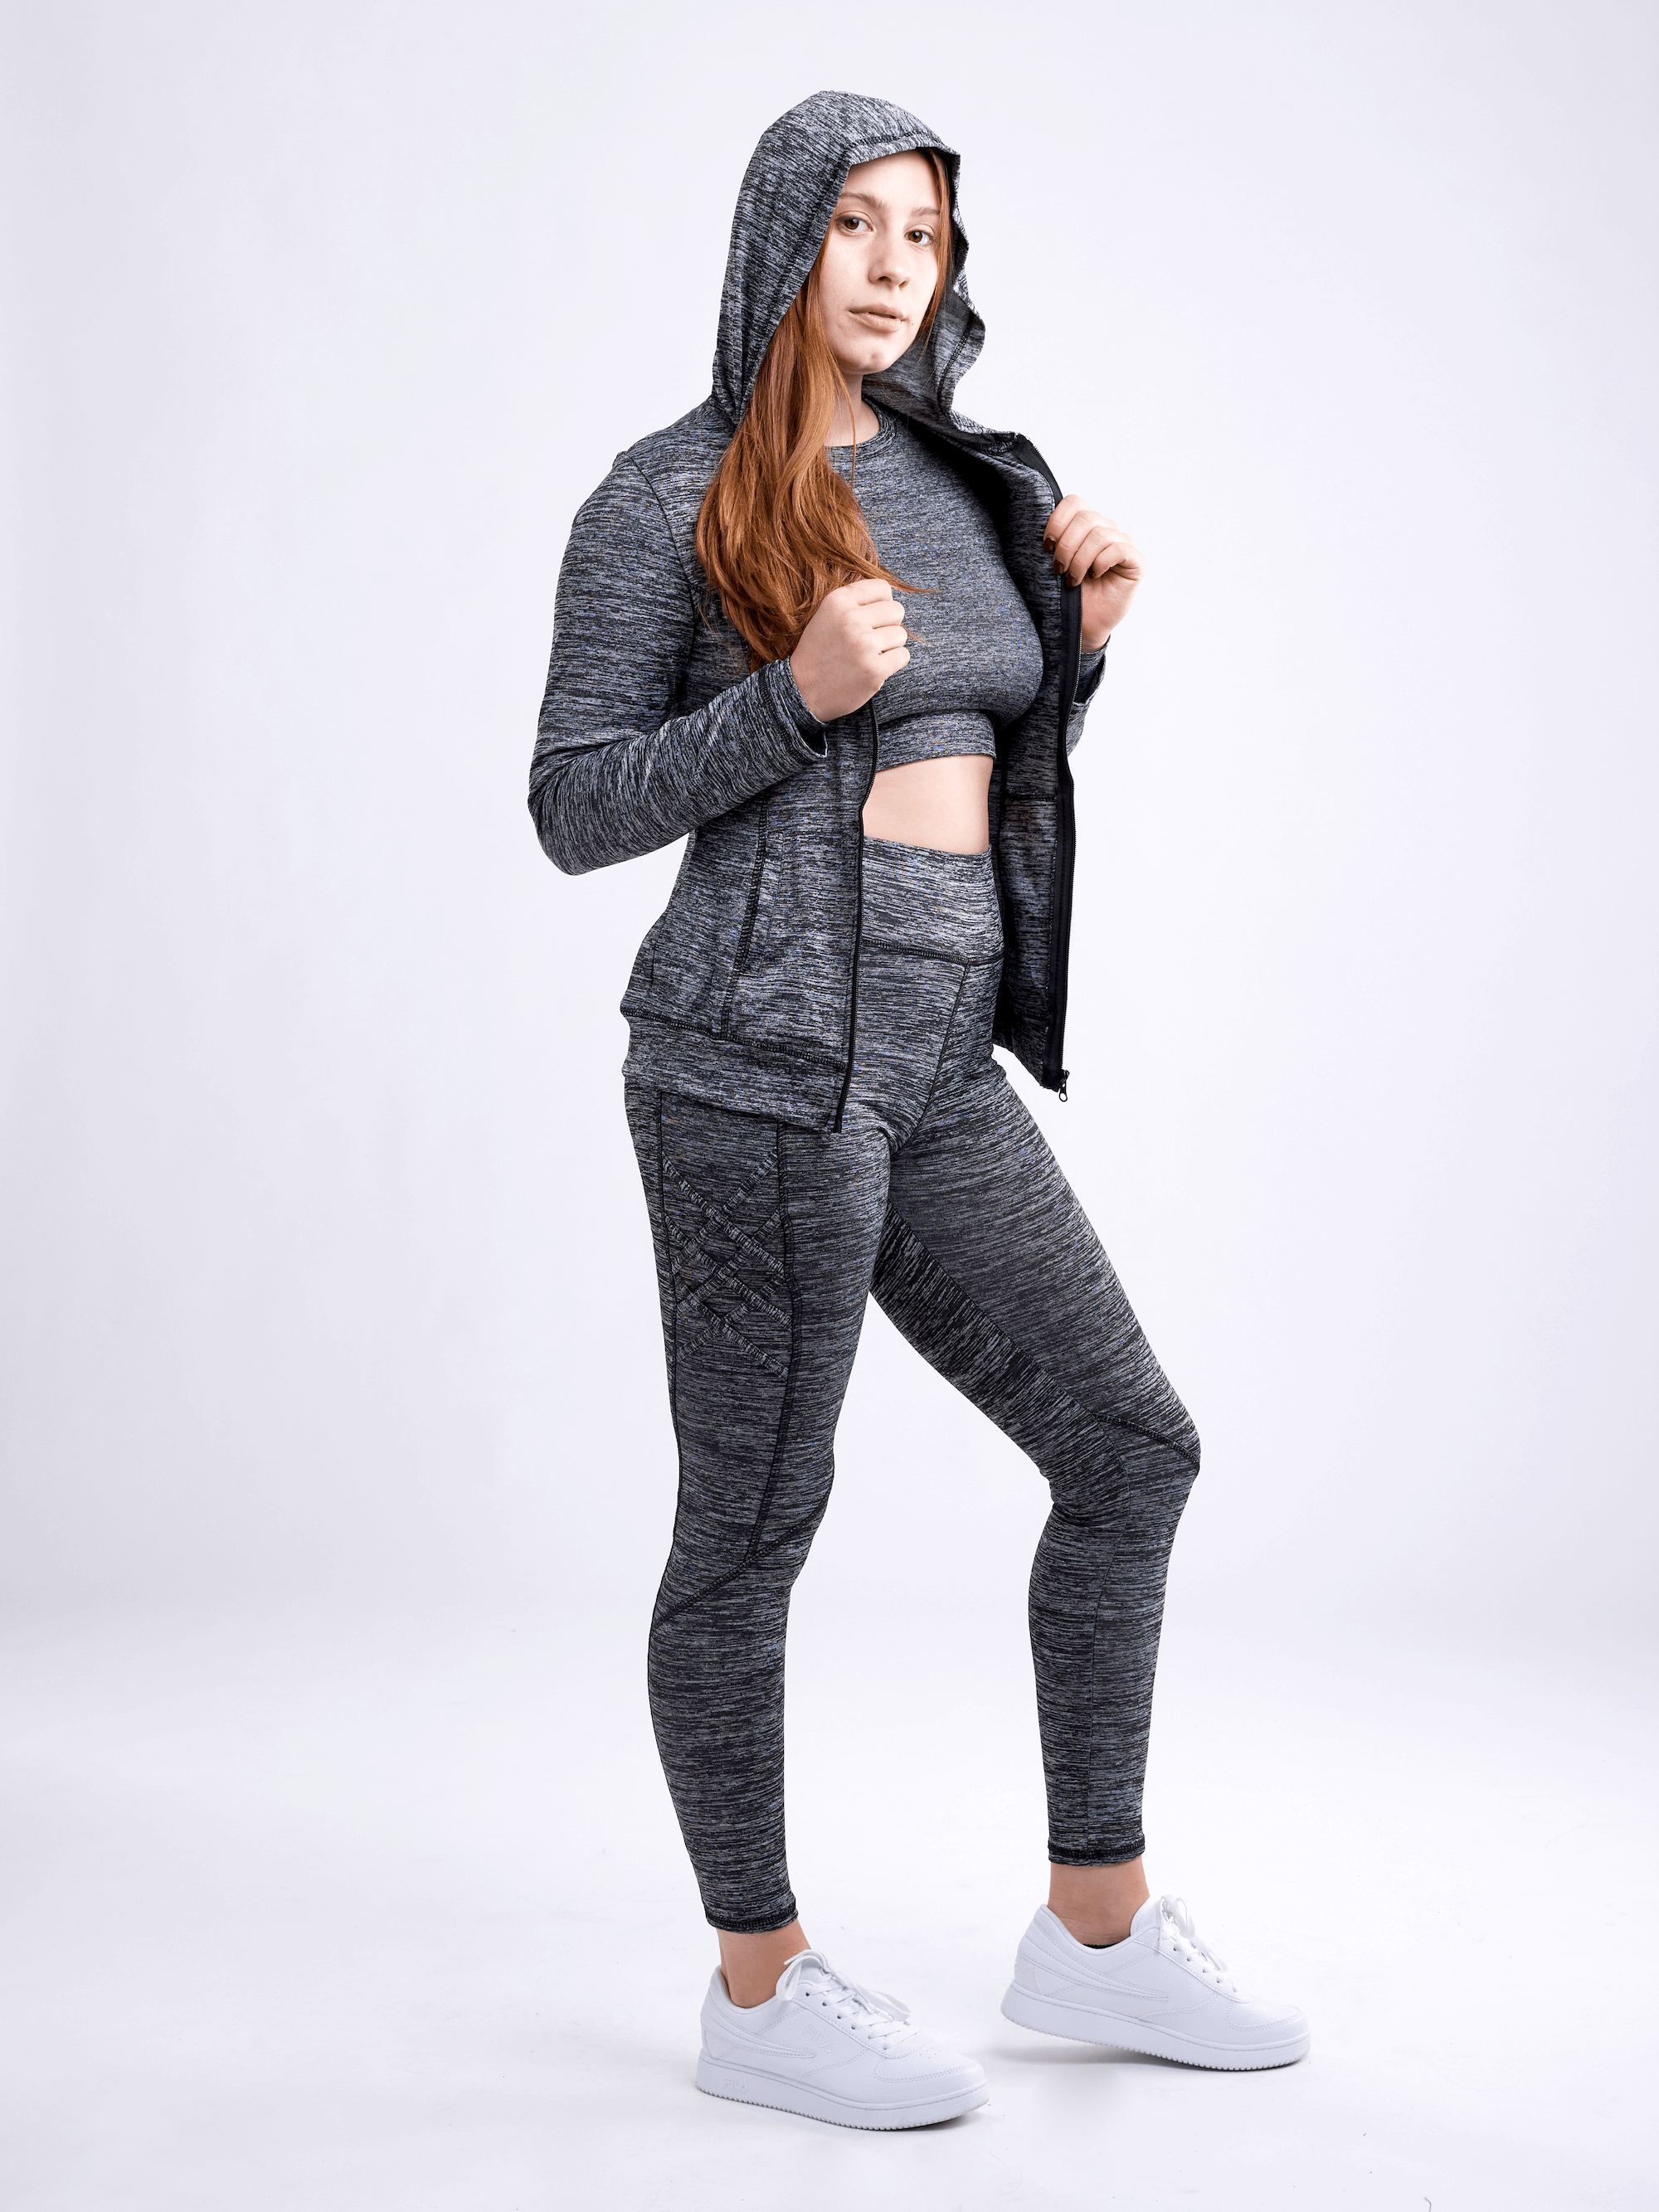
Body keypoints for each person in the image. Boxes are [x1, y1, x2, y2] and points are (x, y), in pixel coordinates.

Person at [528, 90, 1308, 2130]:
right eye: (854, 225)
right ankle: (758, 1980)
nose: (891, 267)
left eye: (924, 234)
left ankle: (1094, 1928)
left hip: (936, 1064)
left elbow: (983, 753)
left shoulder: (969, 479)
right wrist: (784, 693)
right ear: (780, 239)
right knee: (752, 1527)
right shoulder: (665, 497)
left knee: (1129, 1446)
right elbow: (571, 804)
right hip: (752, 1069)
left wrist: (1085, 648)